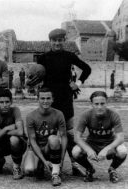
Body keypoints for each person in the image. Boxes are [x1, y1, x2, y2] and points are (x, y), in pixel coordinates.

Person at [37, 28, 91, 176]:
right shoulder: (43, 58)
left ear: (64, 41)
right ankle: (47, 162)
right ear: (50, 41)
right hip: (48, 100)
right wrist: (34, 83)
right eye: (54, 40)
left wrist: (78, 83)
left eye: (60, 40)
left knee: (68, 133)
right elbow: (35, 77)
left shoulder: (69, 56)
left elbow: (87, 69)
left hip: (66, 98)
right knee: (48, 132)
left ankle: (75, 164)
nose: (57, 43)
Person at [72, 91, 127, 183]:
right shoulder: (86, 115)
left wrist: (106, 149)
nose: (99, 107)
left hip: (109, 143)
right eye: (96, 104)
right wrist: (88, 149)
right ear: (92, 104)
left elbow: (120, 138)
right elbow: (77, 137)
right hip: (92, 143)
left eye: (102, 103)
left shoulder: (113, 114)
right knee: (75, 152)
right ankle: (89, 168)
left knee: (123, 151)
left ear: (107, 103)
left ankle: (112, 169)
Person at [23, 87, 67, 186]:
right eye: (42, 98)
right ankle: (40, 163)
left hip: (48, 147)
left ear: (52, 99)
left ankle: (55, 174)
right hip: (35, 149)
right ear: (38, 99)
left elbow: (64, 136)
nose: (45, 101)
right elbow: (32, 141)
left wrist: (62, 159)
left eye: (48, 98)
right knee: (29, 170)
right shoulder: (31, 116)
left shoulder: (59, 114)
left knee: (53, 139)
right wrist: (43, 160)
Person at [0, 89, 26, 180]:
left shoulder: (15, 110)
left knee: (14, 139)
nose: (4, 105)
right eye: (1, 102)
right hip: (1, 144)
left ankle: (16, 167)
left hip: (18, 145)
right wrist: (6, 129)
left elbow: (20, 132)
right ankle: (0, 160)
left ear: (11, 102)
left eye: (7, 102)